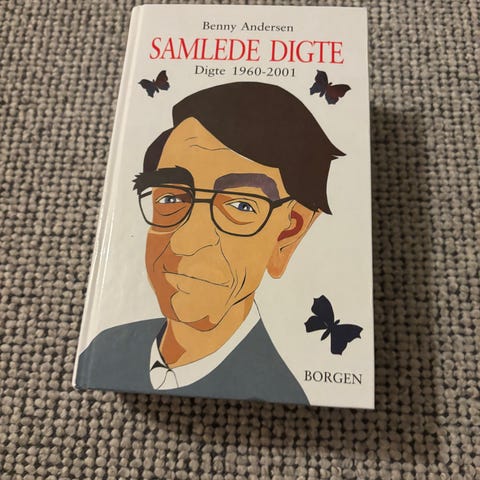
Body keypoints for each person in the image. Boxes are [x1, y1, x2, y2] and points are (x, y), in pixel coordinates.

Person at [76, 82, 344, 404]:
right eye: (171, 198)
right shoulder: (105, 349)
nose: (184, 242)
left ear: (288, 235)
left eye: (241, 206)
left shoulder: (278, 392)